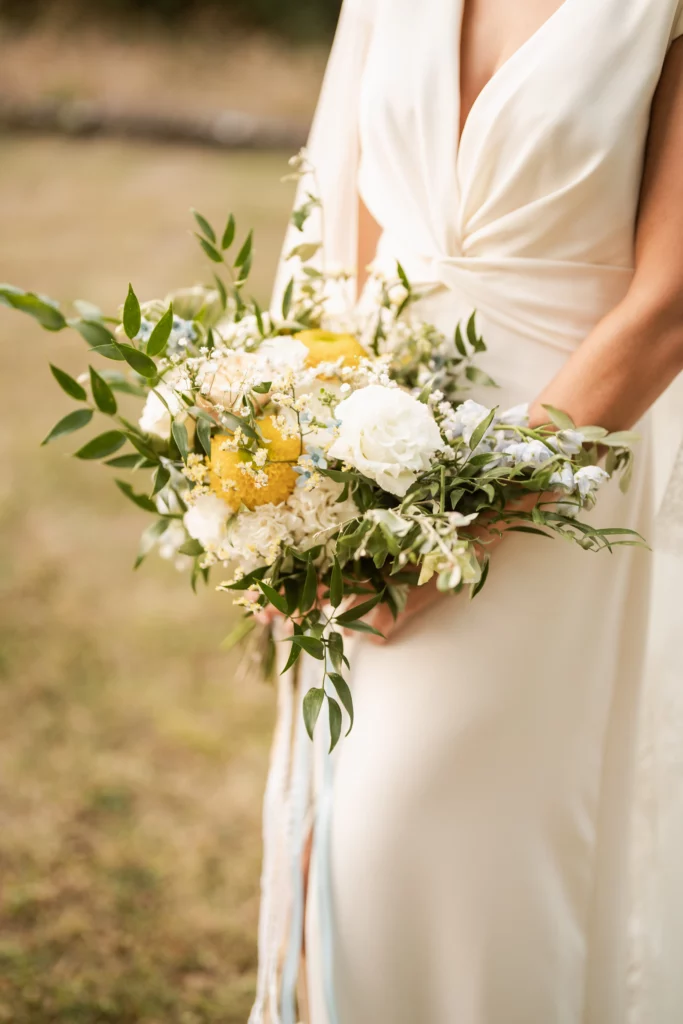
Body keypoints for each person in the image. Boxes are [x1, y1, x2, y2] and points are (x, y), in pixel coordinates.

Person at [257, 3, 683, 1022]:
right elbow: (340, 262)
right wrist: (296, 504)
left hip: (554, 481)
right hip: (367, 457)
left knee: (432, 834)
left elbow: (664, 307)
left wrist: (449, 533)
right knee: (350, 848)